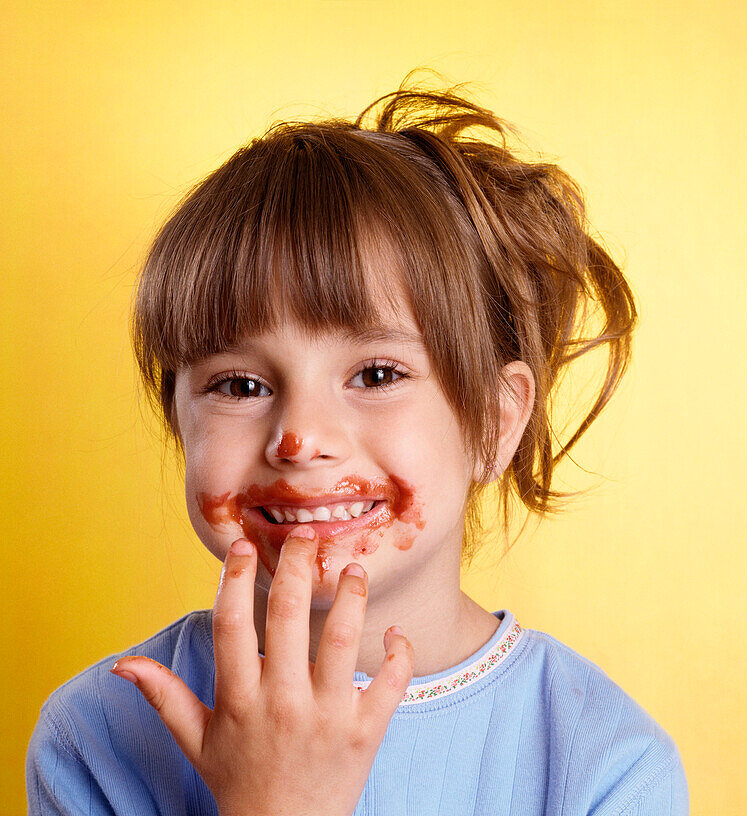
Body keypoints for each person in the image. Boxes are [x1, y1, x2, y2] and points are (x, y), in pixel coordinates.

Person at [26, 81, 689, 816]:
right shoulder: (96, 736)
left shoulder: (606, 764)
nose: (299, 440)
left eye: (377, 374)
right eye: (240, 385)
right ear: (179, 419)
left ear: (496, 424)